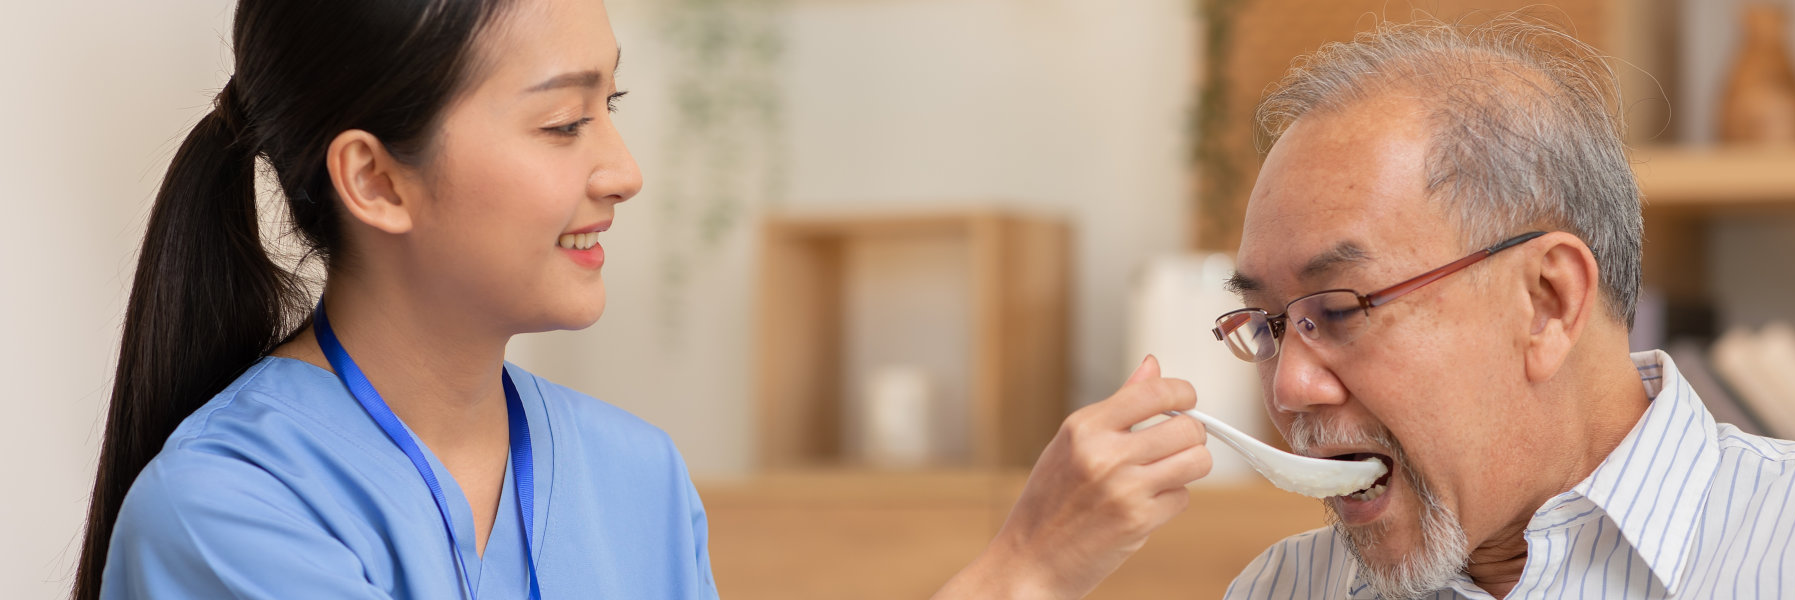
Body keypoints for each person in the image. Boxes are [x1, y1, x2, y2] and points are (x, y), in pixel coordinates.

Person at [74, 0, 1211, 597]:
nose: (622, 168)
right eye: (566, 121)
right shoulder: (226, 519)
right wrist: (1019, 570)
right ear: (375, 177)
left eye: (611, 105)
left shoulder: (635, 479)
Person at [1208, 17, 1795, 600]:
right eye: (1268, 326)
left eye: (1338, 310)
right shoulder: (1281, 589)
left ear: (1548, 301)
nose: (1288, 388)